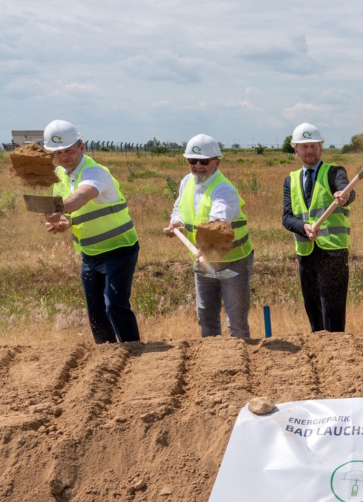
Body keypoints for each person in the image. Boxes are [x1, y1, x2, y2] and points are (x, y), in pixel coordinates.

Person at [42, 120, 141, 344]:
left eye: (68, 150)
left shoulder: (96, 171)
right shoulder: (60, 175)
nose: (63, 157)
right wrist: (64, 223)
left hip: (119, 249)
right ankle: (106, 354)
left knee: (114, 305)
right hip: (89, 254)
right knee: (96, 312)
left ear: (81, 147)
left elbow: (81, 197)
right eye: (58, 153)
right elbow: (73, 211)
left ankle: (134, 351)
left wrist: (57, 210)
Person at [164, 134, 253, 338]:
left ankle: (240, 355)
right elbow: (178, 207)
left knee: (236, 321)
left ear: (216, 163)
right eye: (192, 160)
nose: (197, 166)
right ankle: (211, 356)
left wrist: (205, 249)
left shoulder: (224, 189)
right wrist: (176, 222)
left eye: (203, 161)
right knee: (206, 317)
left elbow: (217, 225)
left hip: (233, 261)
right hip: (202, 260)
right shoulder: (187, 182)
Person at [281, 123, 357, 332]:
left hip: (333, 254)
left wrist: (343, 195)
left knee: (332, 315)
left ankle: (337, 351)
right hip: (306, 255)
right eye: (304, 147)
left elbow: (347, 191)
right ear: (296, 151)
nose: (309, 150)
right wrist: (304, 226)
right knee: (313, 311)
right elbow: (287, 217)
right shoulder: (290, 180)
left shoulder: (334, 172)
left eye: (313, 146)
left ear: (321, 148)